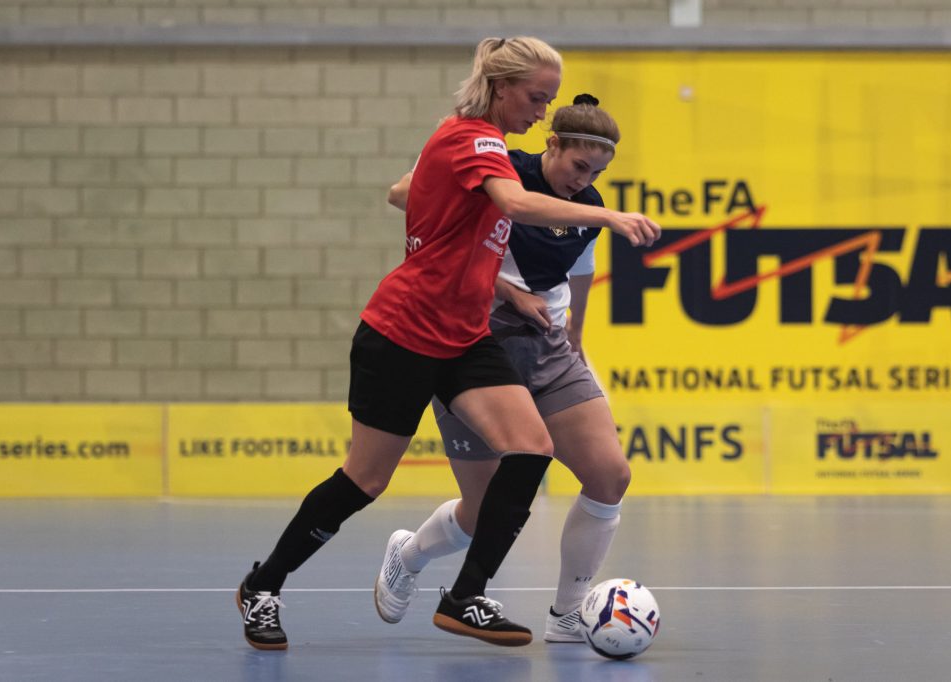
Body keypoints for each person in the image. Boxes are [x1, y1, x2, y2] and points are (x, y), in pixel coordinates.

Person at [235, 36, 660, 651]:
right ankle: (265, 584)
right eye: (537, 98)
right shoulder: (473, 139)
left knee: (531, 446)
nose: (542, 111)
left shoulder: (479, 144)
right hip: (403, 332)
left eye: (550, 100)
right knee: (365, 479)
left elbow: (457, 220)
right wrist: (611, 217)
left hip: (465, 337)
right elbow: (511, 201)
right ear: (503, 86)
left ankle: (465, 596)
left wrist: (512, 292)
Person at [376, 94, 631, 643]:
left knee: (610, 475)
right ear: (551, 144)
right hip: (472, 346)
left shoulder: (585, 208)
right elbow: (406, 198)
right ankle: (410, 554)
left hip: (547, 349)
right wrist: (507, 290)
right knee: (485, 510)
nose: (583, 181)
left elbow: (578, 270)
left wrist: (577, 339)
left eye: (597, 173)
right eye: (577, 166)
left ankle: (566, 615)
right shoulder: (498, 167)